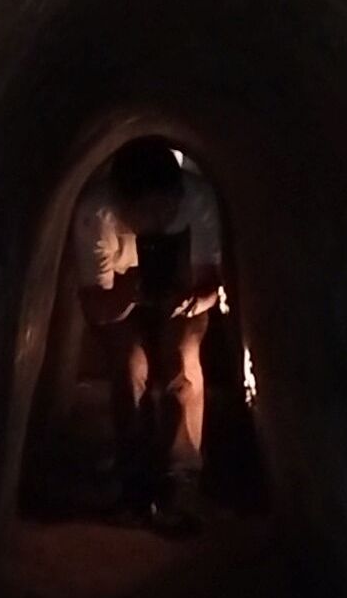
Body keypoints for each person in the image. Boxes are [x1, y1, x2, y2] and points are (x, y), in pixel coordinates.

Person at [73, 137, 222, 534]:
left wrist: (192, 301)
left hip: (180, 294)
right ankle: (135, 479)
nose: (159, 219)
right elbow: (96, 306)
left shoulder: (197, 200)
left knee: (183, 361)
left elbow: (211, 283)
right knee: (130, 366)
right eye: (147, 211)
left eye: (166, 207)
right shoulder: (97, 213)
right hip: (120, 296)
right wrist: (128, 292)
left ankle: (181, 480)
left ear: (178, 194)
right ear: (123, 203)